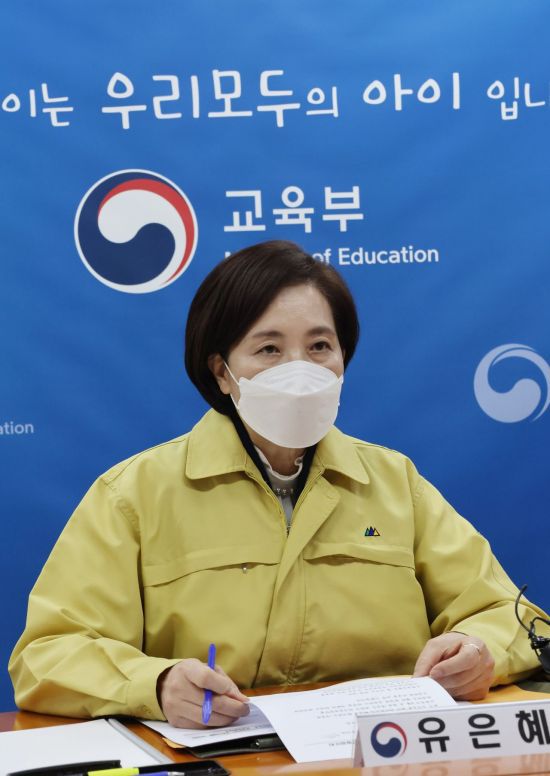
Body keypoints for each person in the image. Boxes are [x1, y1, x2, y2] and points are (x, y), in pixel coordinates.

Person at [9, 240, 549, 729]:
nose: (300, 369)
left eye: (320, 346)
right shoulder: (135, 494)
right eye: (269, 349)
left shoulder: (394, 483)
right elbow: (47, 655)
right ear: (221, 371)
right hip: (214, 755)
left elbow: (516, 619)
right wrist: (155, 684)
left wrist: (478, 650)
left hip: (381, 751)